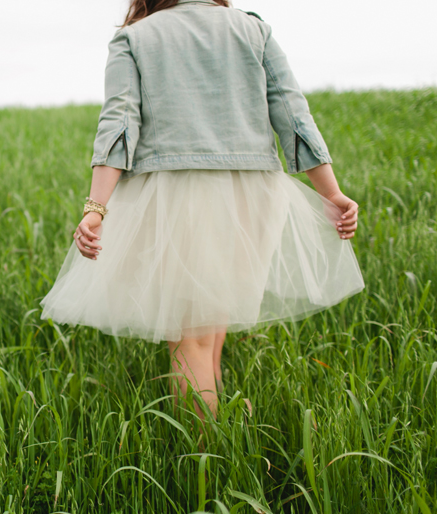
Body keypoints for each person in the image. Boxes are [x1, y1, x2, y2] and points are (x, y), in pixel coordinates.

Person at [41, 0, 364, 418]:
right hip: (255, 192)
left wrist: (96, 207)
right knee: (213, 320)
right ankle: (219, 421)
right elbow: (292, 112)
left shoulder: (136, 37)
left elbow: (118, 124)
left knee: (189, 335)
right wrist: (331, 192)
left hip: (177, 192)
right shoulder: (252, 30)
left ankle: (207, 455)